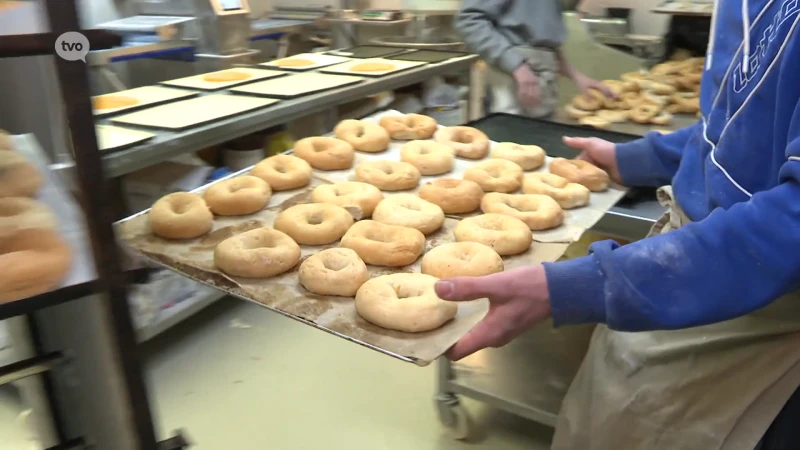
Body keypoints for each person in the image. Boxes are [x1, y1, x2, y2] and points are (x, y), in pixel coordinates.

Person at [438, 0, 800, 449]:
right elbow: (735, 122)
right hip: (679, 264)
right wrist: (637, 159)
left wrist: (587, 285)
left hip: (756, 309)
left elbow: (792, 224)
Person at [454, 0, 614, 118]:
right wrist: (518, 66)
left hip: (541, 81)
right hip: (514, 79)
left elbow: (545, 42)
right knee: (511, 146)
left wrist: (578, 77)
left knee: (539, 147)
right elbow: (469, 20)